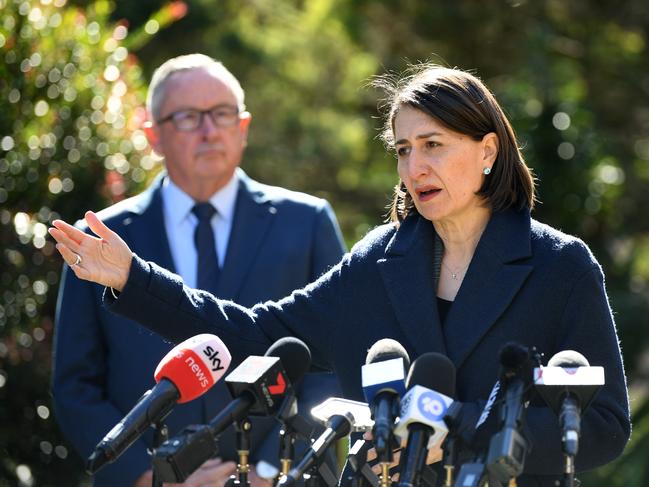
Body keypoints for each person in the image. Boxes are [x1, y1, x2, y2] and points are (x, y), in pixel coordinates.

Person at [50, 63, 631, 486]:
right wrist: (134, 278)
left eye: (433, 144)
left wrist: (449, 433)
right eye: (403, 149)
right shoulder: (379, 260)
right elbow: (257, 335)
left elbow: (604, 426)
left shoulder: (561, 266)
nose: (415, 166)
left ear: (487, 151)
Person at [51, 54, 346, 487]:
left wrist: (270, 471)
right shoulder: (100, 240)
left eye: (222, 114)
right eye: (189, 117)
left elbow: (335, 363)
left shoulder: (307, 222)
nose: (209, 131)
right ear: (153, 136)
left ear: (243, 127)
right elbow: (76, 385)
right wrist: (151, 476)